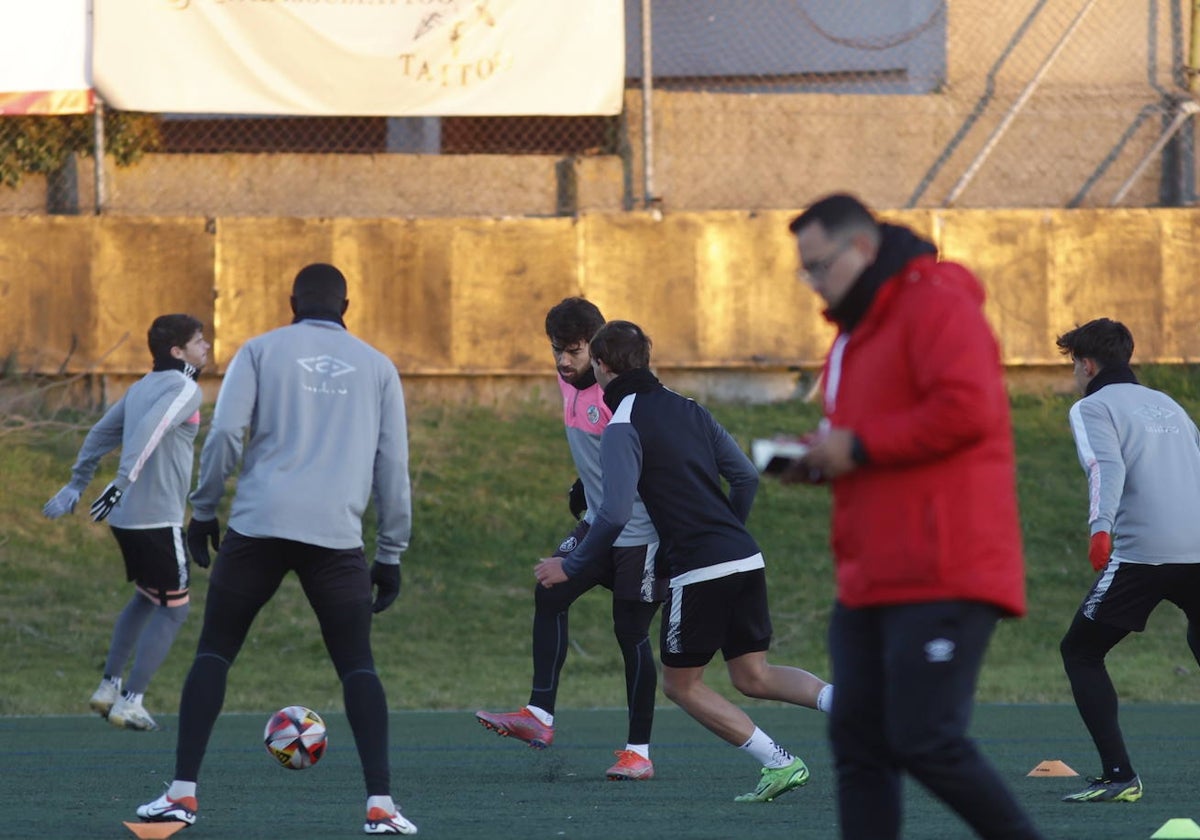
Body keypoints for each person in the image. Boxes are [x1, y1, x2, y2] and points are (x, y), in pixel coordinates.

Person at [784, 193, 1043, 839]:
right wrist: (819, 457)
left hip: (944, 566)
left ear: (862, 249)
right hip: (873, 572)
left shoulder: (935, 302)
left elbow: (968, 410)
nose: (813, 282)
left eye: (819, 266)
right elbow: (865, 436)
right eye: (805, 271)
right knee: (859, 747)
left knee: (925, 739)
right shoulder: (852, 334)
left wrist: (861, 446)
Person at [133, 264, 417, 836]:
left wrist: (204, 509)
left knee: (215, 652)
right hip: (336, 539)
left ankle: (182, 796)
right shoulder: (379, 368)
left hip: (259, 526)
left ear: (291, 302)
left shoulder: (260, 350)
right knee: (357, 665)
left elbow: (225, 436)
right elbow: (393, 467)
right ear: (347, 305)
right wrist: (390, 552)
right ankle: (381, 807)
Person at [534, 320, 833, 803]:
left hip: (701, 567)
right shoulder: (691, 407)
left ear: (603, 366)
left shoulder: (621, 424)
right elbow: (746, 479)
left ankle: (779, 762)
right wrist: (726, 533)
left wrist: (571, 566)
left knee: (681, 685)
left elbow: (611, 513)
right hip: (744, 557)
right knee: (753, 675)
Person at [476, 298, 665, 781]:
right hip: (601, 523)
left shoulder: (623, 396)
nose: (563, 360)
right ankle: (539, 718)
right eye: (556, 349)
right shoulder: (566, 380)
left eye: (575, 351)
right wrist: (585, 485)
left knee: (630, 633)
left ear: (598, 350)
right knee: (550, 591)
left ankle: (637, 754)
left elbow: (657, 460)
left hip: (641, 534)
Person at [1055, 318, 1200, 803]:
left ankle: (1120, 776)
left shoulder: (1092, 406)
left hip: (1144, 553)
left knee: (1081, 651)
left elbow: (1104, 465)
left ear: (1087, 363)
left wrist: (1101, 529)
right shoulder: (1169, 405)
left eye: (1074, 363)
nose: (1075, 374)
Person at [43, 314, 210, 732]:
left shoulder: (140, 387)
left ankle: (107, 687)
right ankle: (130, 701)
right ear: (178, 352)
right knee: (175, 611)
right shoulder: (184, 387)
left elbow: (100, 433)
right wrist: (120, 481)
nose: (206, 346)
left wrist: (77, 482)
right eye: (199, 340)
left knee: (146, 598)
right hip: (157, 519)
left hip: (126, 519)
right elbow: (152, 430)